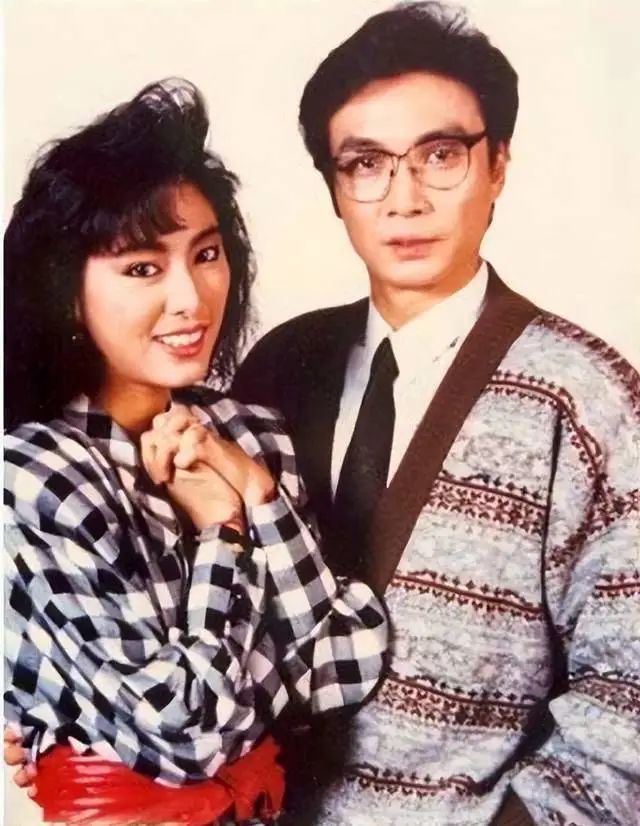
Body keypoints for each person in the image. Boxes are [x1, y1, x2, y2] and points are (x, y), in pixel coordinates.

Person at [229, 3, 640, 825]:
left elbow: (628, 696)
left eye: (440, 156)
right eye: (366, 164)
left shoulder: (587, 396)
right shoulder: (281, 367)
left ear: (498, 165)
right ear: (335, 188)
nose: (404, 198)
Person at [3, 78, 388, 826]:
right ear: (64, 289)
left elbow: (346, 661)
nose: (191, 298)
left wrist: (256, 490)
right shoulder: (36, 477)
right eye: (142, 267)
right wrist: (224, 533)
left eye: (206, 254)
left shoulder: (252, 435)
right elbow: (187, 735)